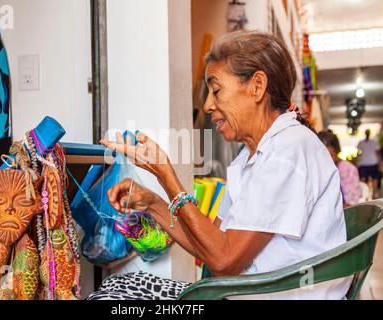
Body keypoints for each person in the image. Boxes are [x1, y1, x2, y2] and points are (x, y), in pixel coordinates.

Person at [92, 30, 352, 300]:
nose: (207, 105)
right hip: (247, 292)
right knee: (116, 285)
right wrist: (153, 204)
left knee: (107, 300)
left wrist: (166, 175)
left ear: (257, 86)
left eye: (216, 90)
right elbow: (212, 241)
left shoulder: (288, 151)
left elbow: (223, 260)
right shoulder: (252, 155)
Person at [318, 131, 361, 207]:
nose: (324, 159)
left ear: (336, 151)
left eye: (329, 155)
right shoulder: (317, 169)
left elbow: (351, 204)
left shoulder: (348, 169)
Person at [357, 129, 382, 198]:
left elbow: (358, 154)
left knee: (363, 179)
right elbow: (378, 154)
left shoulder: (361, 142)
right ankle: (374, 194)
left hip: (364, 163)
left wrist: (358, 163)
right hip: (373, 162)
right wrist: (380, 164)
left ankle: (365, 195)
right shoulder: (374, 142)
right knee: (374, 179)